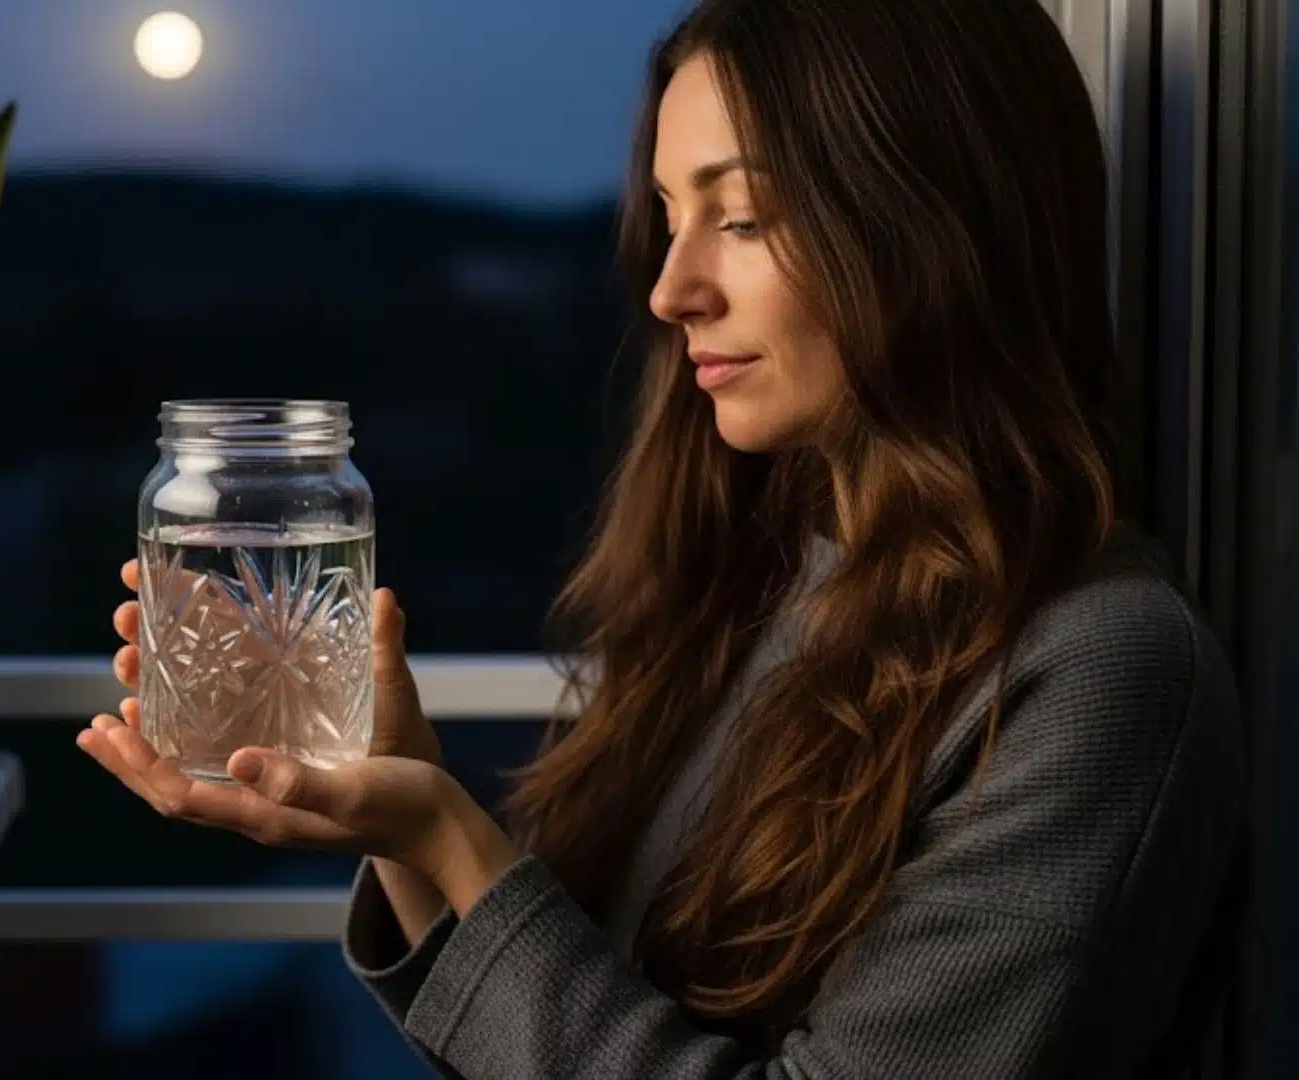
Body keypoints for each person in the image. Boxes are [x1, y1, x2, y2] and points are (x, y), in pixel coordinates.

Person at [76, 0, 1249, 1074]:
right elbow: (548, 1032)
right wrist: (410, 809)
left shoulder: (1106, 674)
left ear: (935, 224)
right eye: (671, 216)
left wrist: (452, 835)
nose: (671, 288)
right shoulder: (768, 576)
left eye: (741, 217)